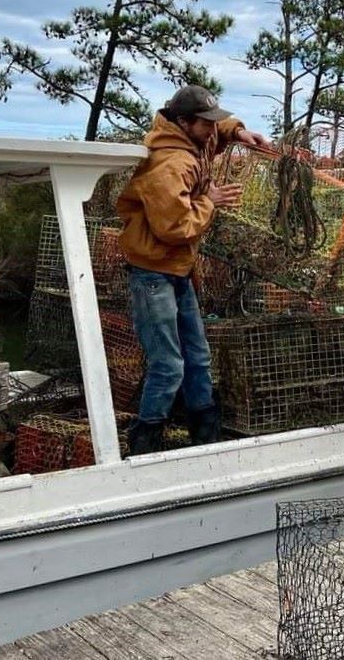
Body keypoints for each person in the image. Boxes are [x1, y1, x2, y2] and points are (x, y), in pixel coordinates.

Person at [116, 84, 270, 455]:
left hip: (179, 270)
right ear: (184, 123)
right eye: (206, 124)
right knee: (168, 365)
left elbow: (218, 129)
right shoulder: (169, 165)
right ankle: (145, 447)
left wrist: (239, 131)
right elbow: (174, 227)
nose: (212, 131)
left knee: (198, 358)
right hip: (152, 273)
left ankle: (205, 442)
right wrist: (209, 201)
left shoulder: (193, 140)